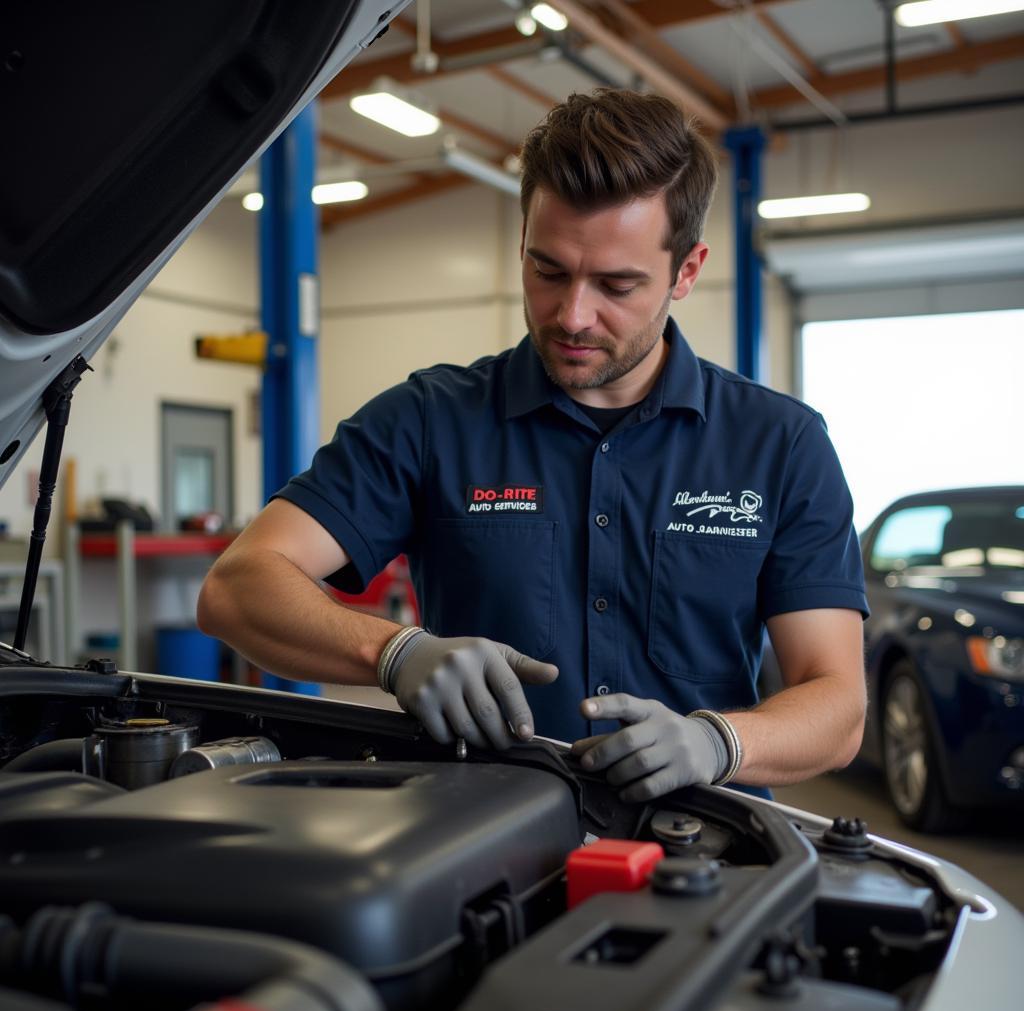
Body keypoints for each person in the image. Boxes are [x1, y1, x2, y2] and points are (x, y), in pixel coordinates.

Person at [198, 89, 868, 801]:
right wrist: (393, 650)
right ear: (521, 243)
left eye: (617, 284)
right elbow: (238, 586)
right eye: (548, 270)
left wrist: (718, 742)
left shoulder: (780, 444)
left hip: (707, 860)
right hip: (471, 851)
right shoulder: (429, 420)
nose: (573, 315)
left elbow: (837, 702)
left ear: (687, 271)